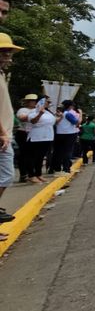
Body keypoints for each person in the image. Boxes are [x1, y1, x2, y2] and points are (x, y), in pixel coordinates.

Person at [0, 32, 24, 229]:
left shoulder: (1, 74)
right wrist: (2, 132)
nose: (8, 55)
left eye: (9, 52)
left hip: (5, 134)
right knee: (6, 175)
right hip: (2, 136)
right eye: (3, 52)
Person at [26, 97, 55, 185]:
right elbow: (33, 121)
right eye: (46, 101)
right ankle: (31, 175)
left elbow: (52, 122)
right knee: (32, 157)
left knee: (41, 157)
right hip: (36, 137)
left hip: (47, 137)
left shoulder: (48, 112)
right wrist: (39, 114)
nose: (48, 103)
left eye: (49, 102)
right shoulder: (33, 111)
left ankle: (38, 174)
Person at [52, 100, 79, 174]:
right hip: (69, 134)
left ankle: (56, 169)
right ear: (70, 106)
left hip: (59, 134)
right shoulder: (68, 114)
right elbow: (75, 122)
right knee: (68, 152)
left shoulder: (59, 113)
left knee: (58, 152)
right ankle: (66, 168)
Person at [15, 94, 38, 182]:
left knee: (33, 155)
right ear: (27, 102)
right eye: (32, 101)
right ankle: (23, 174)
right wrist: (37, 115)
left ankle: (32, 173)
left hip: (35, 133)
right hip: (23, 133)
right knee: (24, 155)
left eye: (35, 101)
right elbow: (22, 118)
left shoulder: (38, 110)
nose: (33, 102)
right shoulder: (23, 110)